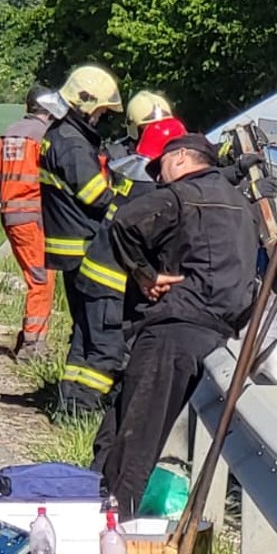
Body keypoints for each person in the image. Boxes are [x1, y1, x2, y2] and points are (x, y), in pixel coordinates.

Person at [96, 132, 259, 518]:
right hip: (218, 334)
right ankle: (96, 506)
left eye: (161, 166)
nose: (158, 177)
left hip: (174, 327)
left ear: (183, 157)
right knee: (121, 427)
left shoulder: (180, 196)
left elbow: (123, 222)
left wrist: (144, 274)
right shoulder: (243, 204)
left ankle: (111, 530)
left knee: (134, 438)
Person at [71, 112, 188, 407]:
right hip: (111, 280)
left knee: (83, 347)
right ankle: (85, 410)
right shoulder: (155, 192)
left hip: (93, 273)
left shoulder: (131, 179)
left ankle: (68, 405)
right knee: (107, 352)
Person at [38, 63, 122, 410]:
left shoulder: (59, 135)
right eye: (101, 111)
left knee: (84, 332)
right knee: (101, 335)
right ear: (86, 105)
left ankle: (70, 401)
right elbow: (95, 196)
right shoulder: (72, 145)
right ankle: (85, 407)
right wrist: (131, 201)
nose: (101, 117)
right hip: (87, 249)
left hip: (71, 251)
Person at [0, 85, 57, 357]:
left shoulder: (8, 134)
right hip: (33, 214)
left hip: (11, 213)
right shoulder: (42, 138)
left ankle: (29, 338)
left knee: (36, 276)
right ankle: (33, 344)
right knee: (42, 280)